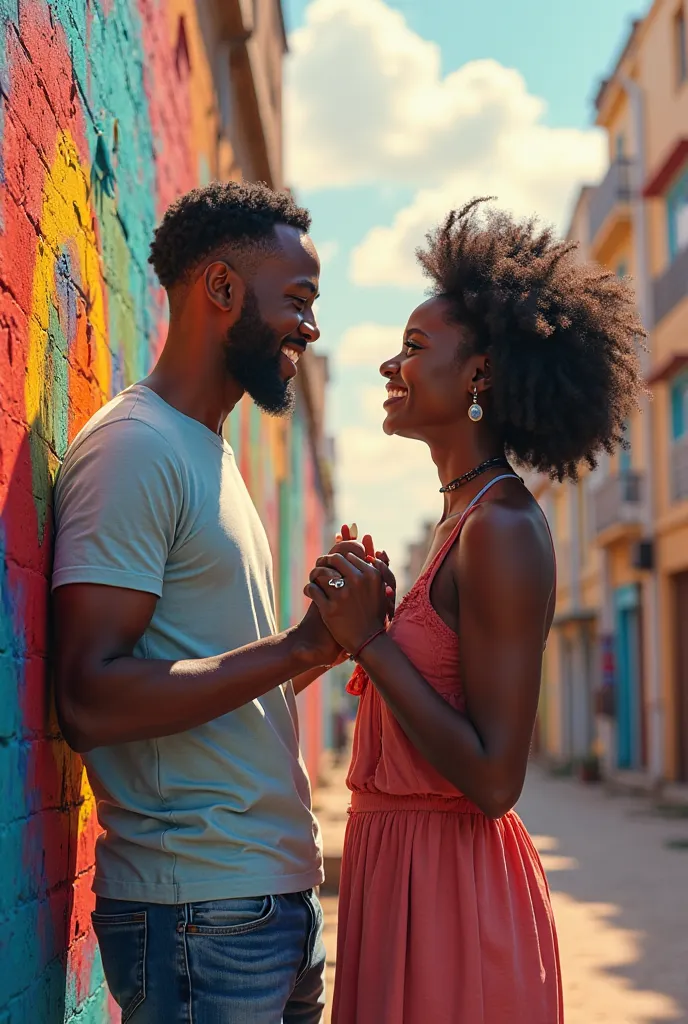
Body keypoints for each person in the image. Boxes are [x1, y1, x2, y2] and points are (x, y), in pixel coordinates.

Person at [306, 199, 645, 1024]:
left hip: (454, 903)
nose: (392, 366)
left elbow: (496, 779)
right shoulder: (461, 521)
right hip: (404, 884)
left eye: (416, 349)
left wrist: (373, 644)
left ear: (480, 376)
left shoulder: (502, 529)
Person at [52, 180, 347, 1023]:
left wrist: (321, 644)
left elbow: (216, 688)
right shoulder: (137, 449)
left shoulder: (207, 454)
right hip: (200, 915)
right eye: (298, 300)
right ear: (221, 288)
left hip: (266, 905)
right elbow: (90, 696)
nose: (311, 327)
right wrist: (294, 649)